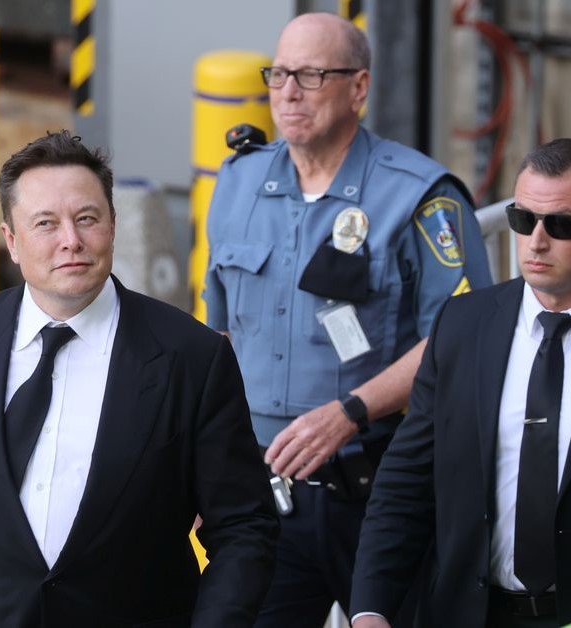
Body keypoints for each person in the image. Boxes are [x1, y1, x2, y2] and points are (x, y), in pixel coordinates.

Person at [0, 131, 279, 628]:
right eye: (46, 223)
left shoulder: (192, 357)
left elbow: (243, 527)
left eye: (87, 218)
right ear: (12, 241)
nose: (71, 240)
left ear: (112, 226)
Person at [203, 11, 492, 627]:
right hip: (265, 493)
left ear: (359, 87)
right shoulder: (239, 181)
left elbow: (463, 338)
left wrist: (350, 412)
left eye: (311, 75)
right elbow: (218, 337)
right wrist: (205, 463)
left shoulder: (419, 194)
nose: (288, 93)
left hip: (381, 492)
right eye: (279, 74)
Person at [350, 138, 571, 627]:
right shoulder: (463, 325)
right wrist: (369, 608)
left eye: (561, 225)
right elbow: (406, 482)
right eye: (522, 219)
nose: (536, 242)